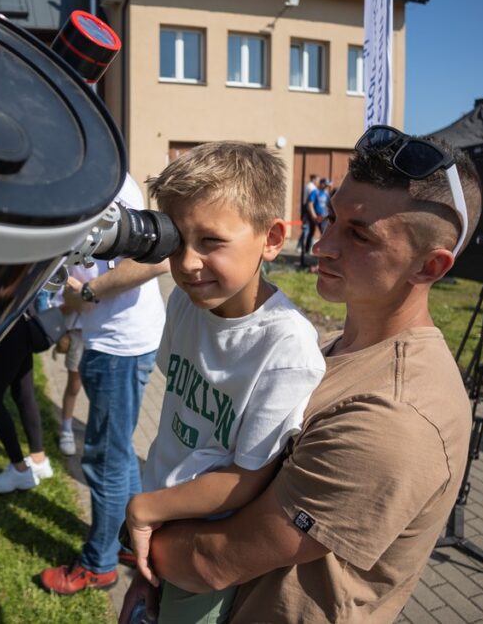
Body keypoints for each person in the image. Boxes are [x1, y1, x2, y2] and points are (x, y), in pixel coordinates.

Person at [124, 128, 481, 623]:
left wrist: (142, 535)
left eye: (359, 234)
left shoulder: (396, 418)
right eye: (332, 219)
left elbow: (213, 560)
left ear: (430, 266)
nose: (324, 245)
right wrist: (150, 573)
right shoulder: (341, 348)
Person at [120, 142, 326, 623]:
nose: (188, 263)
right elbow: (177, 414)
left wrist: (146, 508)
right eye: (177, 242)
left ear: (271, 238)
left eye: (211, 241)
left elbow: (244, 479)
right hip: (158, 517)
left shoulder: (285, 348)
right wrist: (150, 513)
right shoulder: (185, 304)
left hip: (198, 545)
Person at [40, 173, 168, 595]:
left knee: (104, 459)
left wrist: (88, 292)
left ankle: (100, 564)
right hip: (112, 341)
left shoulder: (106, 184)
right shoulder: (93, 179)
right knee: (118, 453)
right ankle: (128, 541)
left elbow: (157, 258)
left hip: (119, 347)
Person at [0, 312, 53, 493]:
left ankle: (20, 470)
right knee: (23, 392)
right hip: (21, 322)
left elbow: (3, 295)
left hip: (10, 324)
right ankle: (38, 460)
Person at [54, 265, 93, 457]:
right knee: (74, 385)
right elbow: (60, 307)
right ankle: (67, 428)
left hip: (106, 336)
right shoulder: (73, 267)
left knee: (100, 391)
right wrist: (78, 298)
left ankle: (95, 433)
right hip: (79, 334)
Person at [297, 174, 318, 261]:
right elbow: (310, 201)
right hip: (308, 210)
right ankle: (300, 246)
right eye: (317, 179)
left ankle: (303, 246)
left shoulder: (308, 186)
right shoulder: (312, 187)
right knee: (307, 229)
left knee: (307, 229)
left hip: (306, 209)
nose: (317, 181)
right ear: (314, 179)